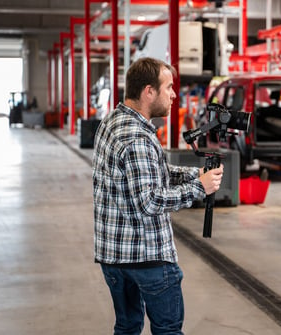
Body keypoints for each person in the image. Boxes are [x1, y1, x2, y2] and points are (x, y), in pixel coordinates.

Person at [92, 57, 224, 335]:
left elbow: (152, 172)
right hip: (147, 258)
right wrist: (200, 189)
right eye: (169, 88)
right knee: (168, 330)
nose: (174, 94)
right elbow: (149, 201)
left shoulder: (113, 121)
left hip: (114, 257)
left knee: (127, 327)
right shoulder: (138, 138)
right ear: (148, 91)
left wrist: (195, 175)